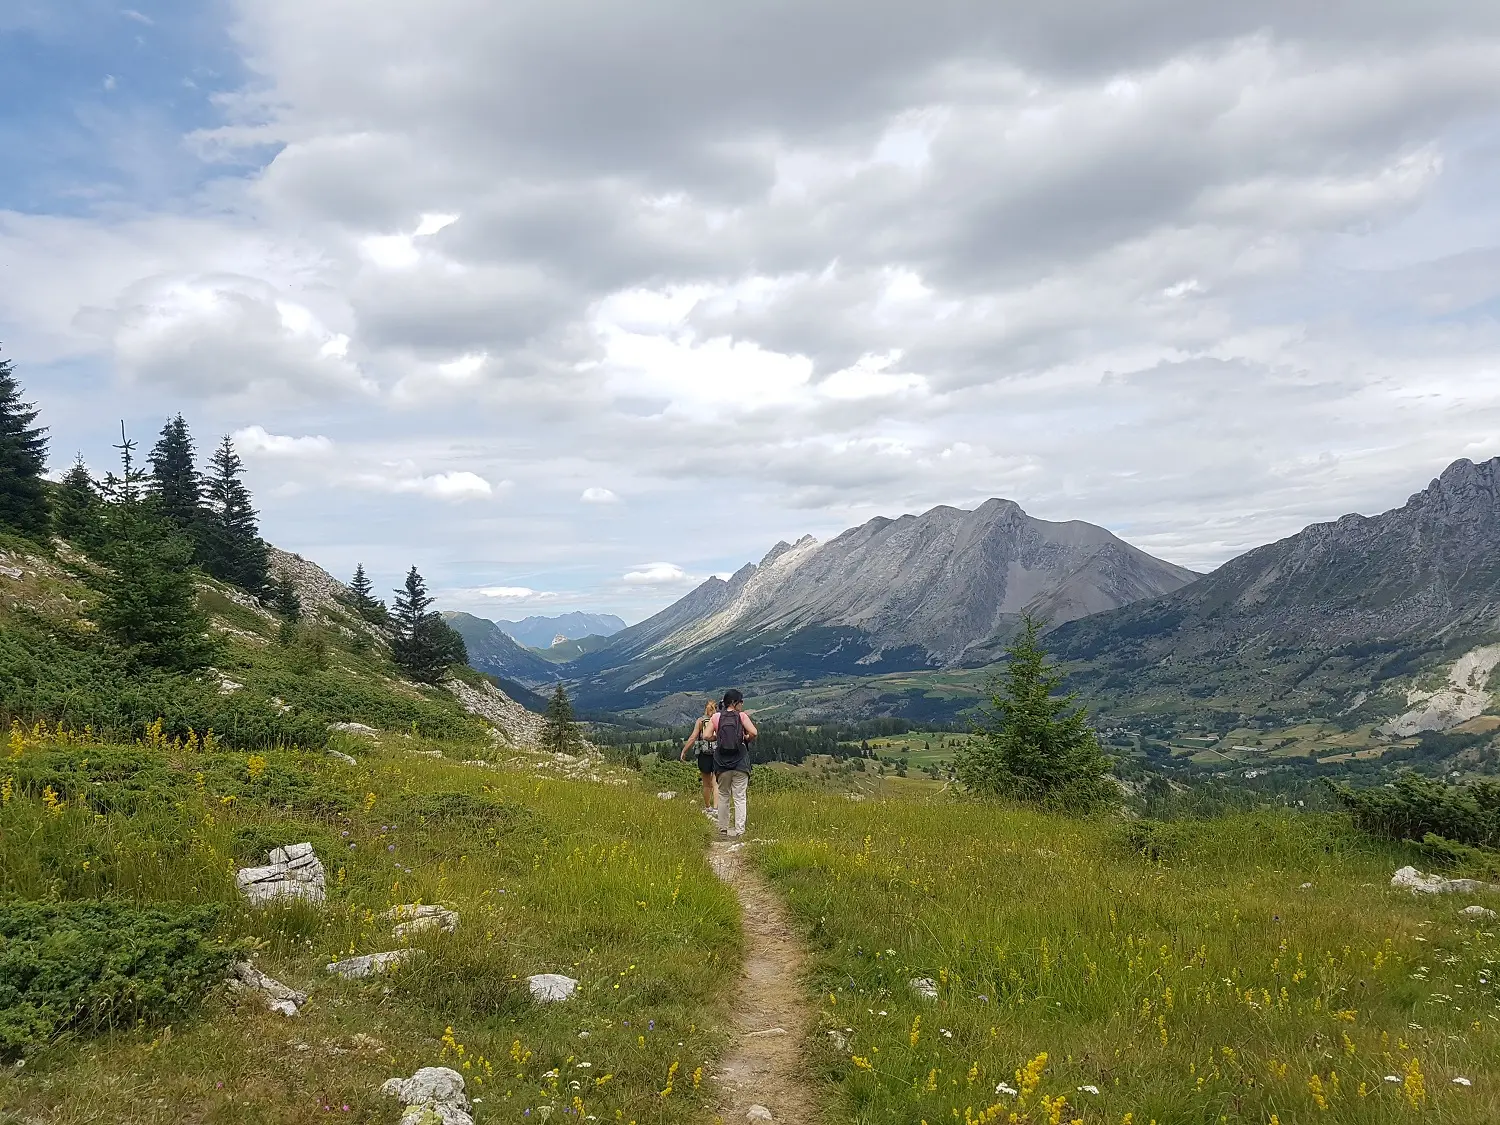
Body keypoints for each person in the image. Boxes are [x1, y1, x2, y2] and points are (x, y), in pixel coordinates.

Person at [709, 688, 757, 838]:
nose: (742, 704)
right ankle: (739, 830)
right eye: (741, 701)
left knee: (723, 795)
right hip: (740, 762)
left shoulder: (716, 717)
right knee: (740, 797)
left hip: (722, 763)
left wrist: (718, 738)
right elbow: (754, 732)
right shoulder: (741, 716)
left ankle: (723, 829)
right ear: (734, 702)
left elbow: (706, 735)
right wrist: (745, 738)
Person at [679, 699, 720, 816]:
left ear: (705, 709)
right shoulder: (718, 719)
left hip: (704, 754)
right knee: (716, 783)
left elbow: (693, 737)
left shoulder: (700, 721)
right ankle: (716, 808)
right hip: (717, 754)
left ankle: (708, 807)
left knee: (706, 784)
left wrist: (684, 751)